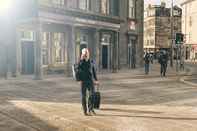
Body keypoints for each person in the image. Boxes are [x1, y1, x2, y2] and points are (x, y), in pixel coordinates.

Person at [78, 48, 99, 116]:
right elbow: (78, 71)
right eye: (85, 53)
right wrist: (79, 80)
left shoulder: (91, 61)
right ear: (83, 54)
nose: (86, 54)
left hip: (90, 81)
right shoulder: (81, 62)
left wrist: (96, 79)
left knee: (92, 95)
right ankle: (85, 110)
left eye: (87, 52)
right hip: (83, 81)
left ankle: (91, 109)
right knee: (83, 96)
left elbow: (93, 72)